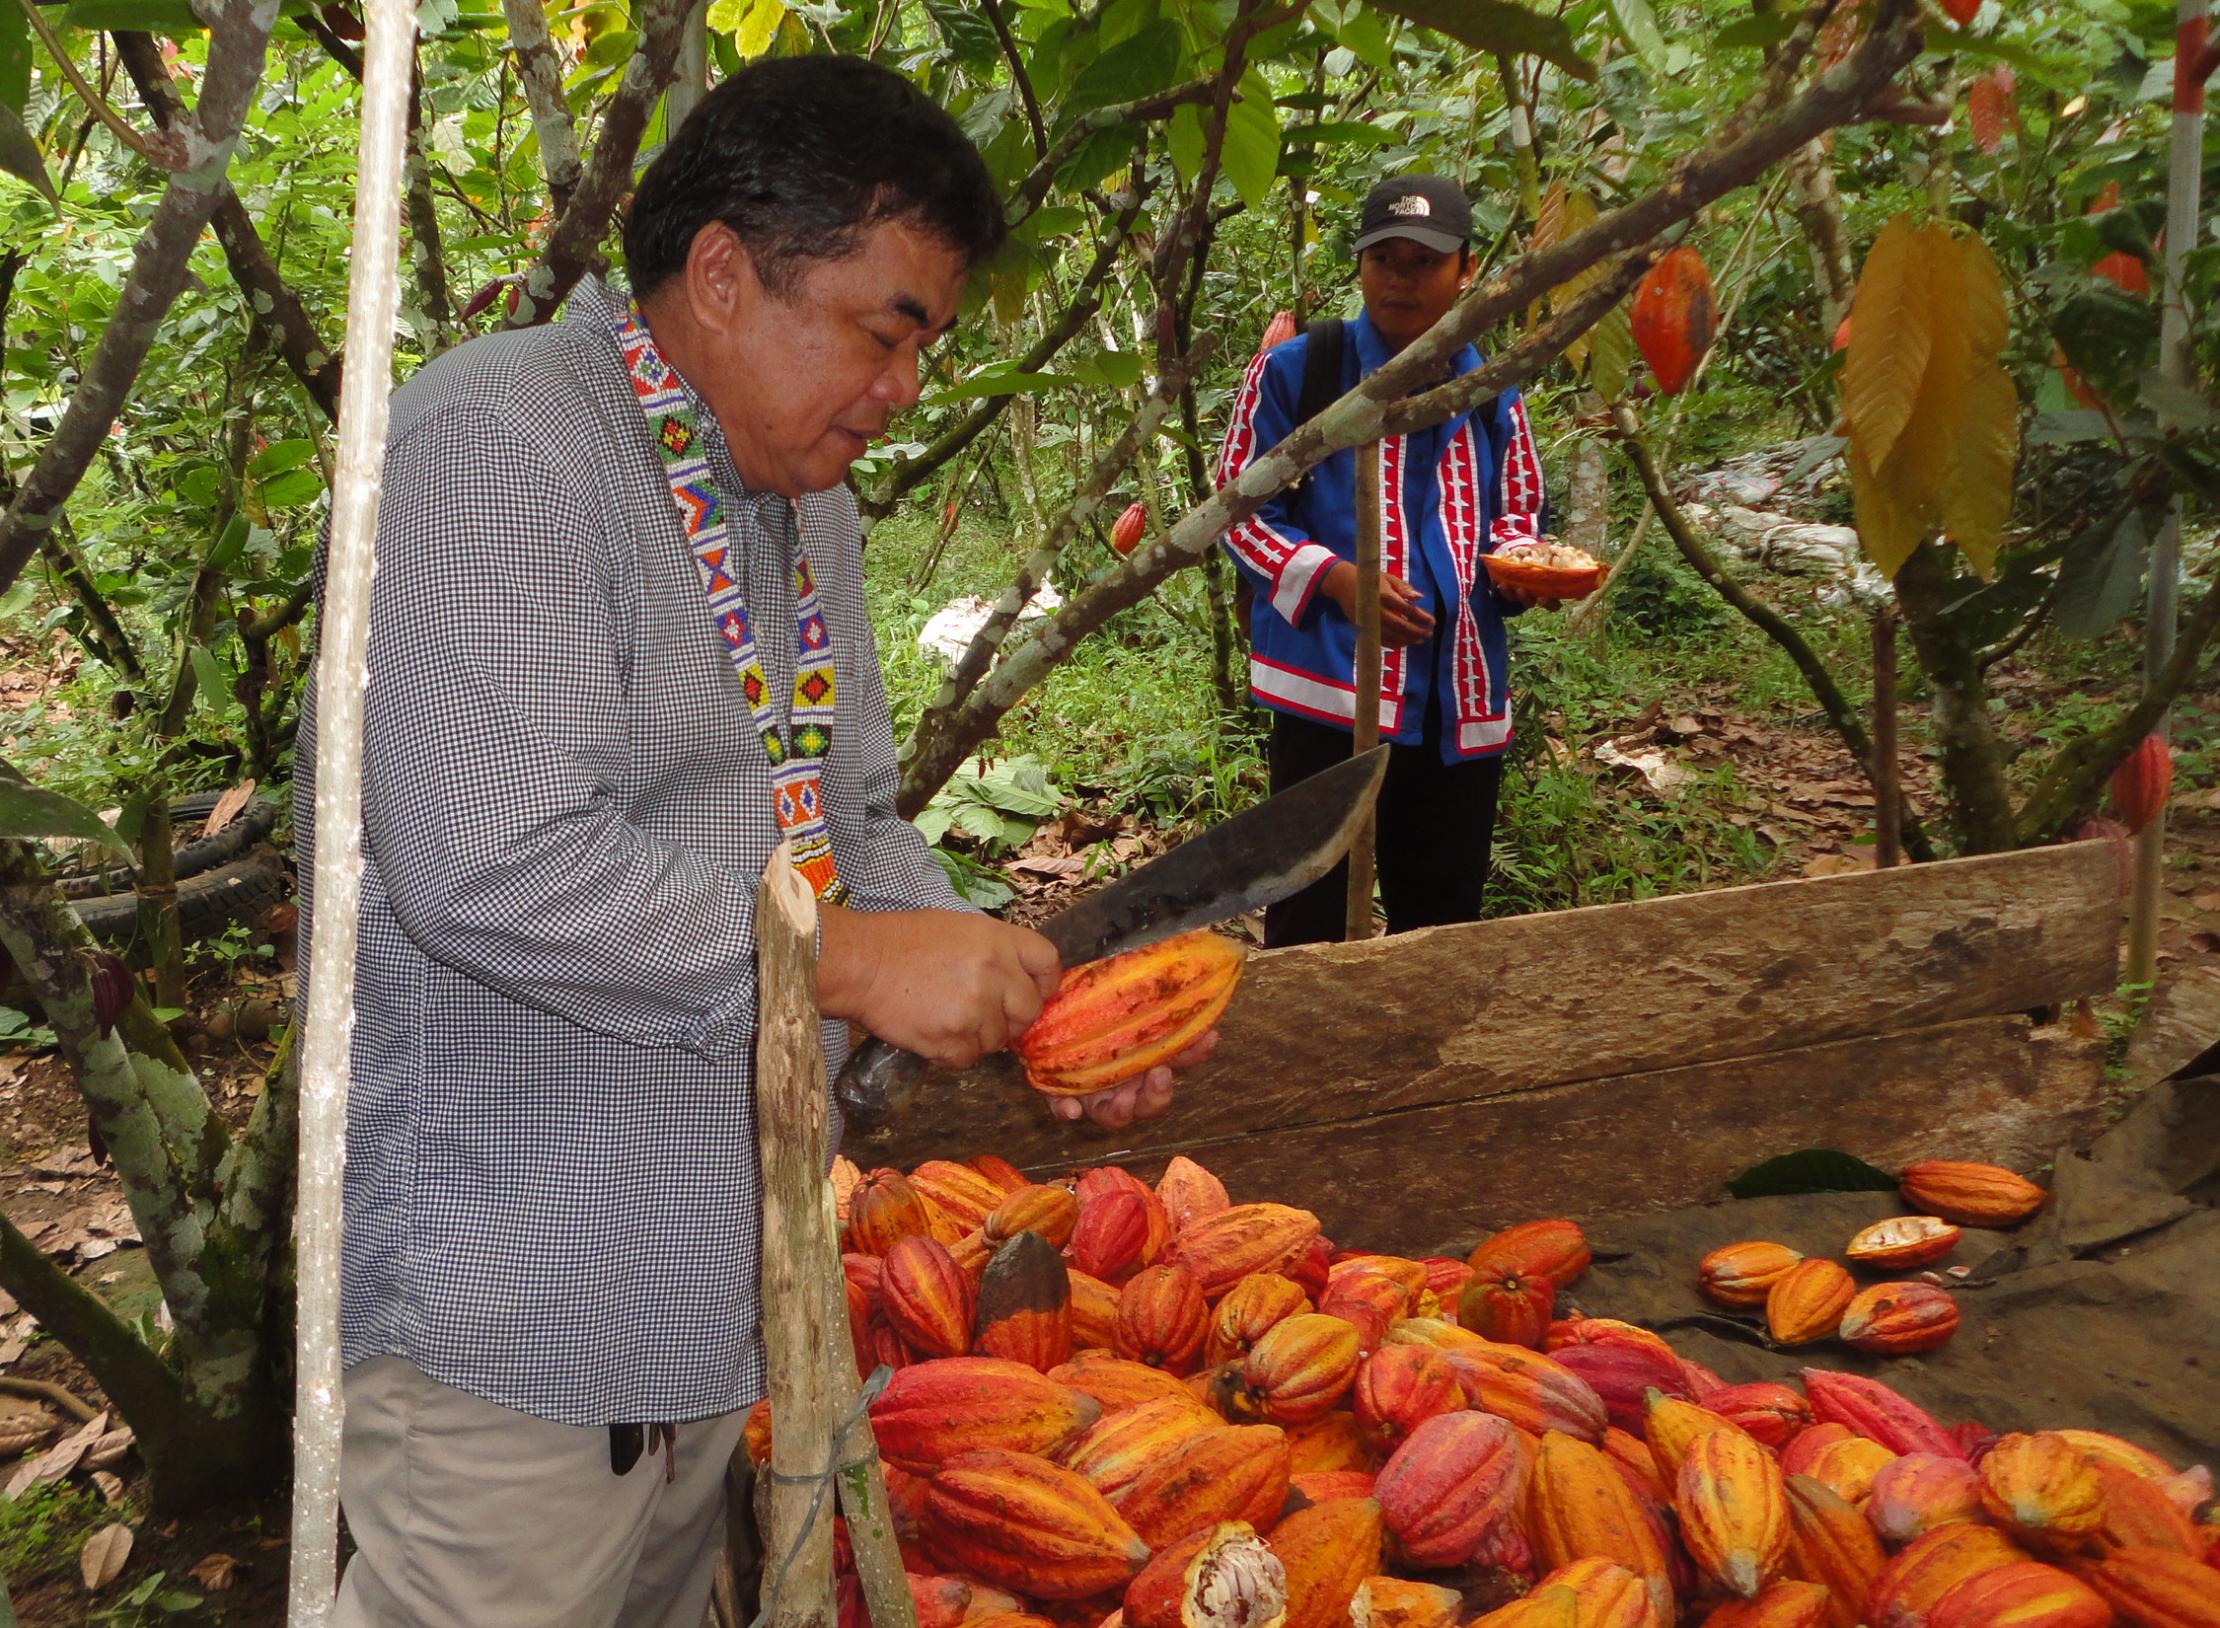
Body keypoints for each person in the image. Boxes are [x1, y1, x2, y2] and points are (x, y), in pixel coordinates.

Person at [292, 57, 1206, 1628]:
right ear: (723, 276)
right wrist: (852, 960)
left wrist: (1032, 1002)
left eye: (923, 342)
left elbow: (840, 820)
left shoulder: (793, 497)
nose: (904, 386)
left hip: (717, 1288)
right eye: (883, 329)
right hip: (516, 1318)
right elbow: (493, 862)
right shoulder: (504, 443)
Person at [1216, 173, 1550, 947]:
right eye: (1385, 259)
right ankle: (1310, 1064)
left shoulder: (1490, 387)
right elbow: (1236, 511)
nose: (1401, 280)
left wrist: (1522, 573)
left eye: (1424, 263)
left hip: (1455, 701)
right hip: (1330, 697)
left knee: (1439, 924)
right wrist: (1333, 579)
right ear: (1360, 266)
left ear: (1465, 270)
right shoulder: (1301, 371)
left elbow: (1521, 515)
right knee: (1308, 911)